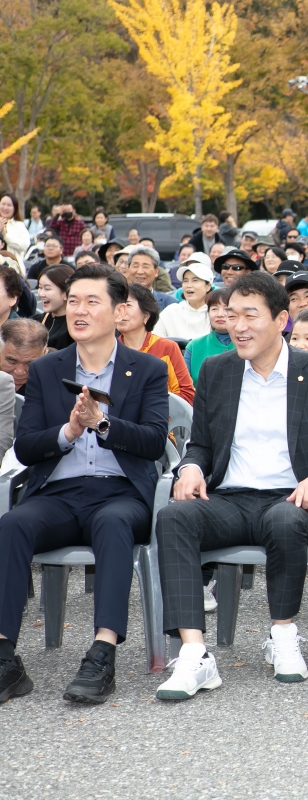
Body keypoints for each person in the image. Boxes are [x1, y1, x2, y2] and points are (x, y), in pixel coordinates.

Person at [152, 272, 308, 699]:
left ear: (282, 319)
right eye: (230, 315)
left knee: (285, 520)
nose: (238, 325)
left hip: (292, 499)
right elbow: (203, 444)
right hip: (230, 498)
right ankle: (195, 654)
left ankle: (283, 633)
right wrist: (190, 465)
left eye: (250, 315)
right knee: (175, 519)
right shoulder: (217, 370)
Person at [0, 264, 168, 705]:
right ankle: (5, 659)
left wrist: (104, 423)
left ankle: (102, 653)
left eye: (92, 301)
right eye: (73, 300)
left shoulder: (147, 368)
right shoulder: (46, 368)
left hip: (120, 493)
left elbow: (153, 441)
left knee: (113, 525)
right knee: (13, 524)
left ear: (119, 311)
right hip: (58, 493)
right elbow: (26, 446)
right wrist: (70, 432)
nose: (79, 310)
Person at [118, 284, 195, 403]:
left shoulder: (167, 348)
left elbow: (186, 394)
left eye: (128, 305)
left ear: (146, 315)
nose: (121, 311)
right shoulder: (110, 350)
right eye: (117, 306)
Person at [154, 254, 214, 341]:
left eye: (195, 280)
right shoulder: (171, 311)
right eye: (185, 281)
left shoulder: (216, 313)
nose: (188, 285)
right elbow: (156, 340)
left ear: (208, 286)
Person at [183, 288, 236, 383]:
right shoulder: (194, 346)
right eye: (214, 309)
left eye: (226, 309)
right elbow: (184, 384)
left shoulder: (248, 344)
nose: (220, 314)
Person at [0, 318, 48, 396]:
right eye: (12, 362)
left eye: (30, 363)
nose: (20, 372)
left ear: (45, 353)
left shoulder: (55, 383)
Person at [38, 265, 74, 351]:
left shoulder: (74, 326)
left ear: (66, 293)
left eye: (47, 289)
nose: (41, 294)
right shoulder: (36, 321)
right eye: (39, 288)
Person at [0, 194, 29, 261]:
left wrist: (5, 236)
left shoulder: (19, 225)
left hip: (13, 266)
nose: (5, 208)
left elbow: (24, 246)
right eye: (3, 204)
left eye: (9, 205)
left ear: (15, 208)